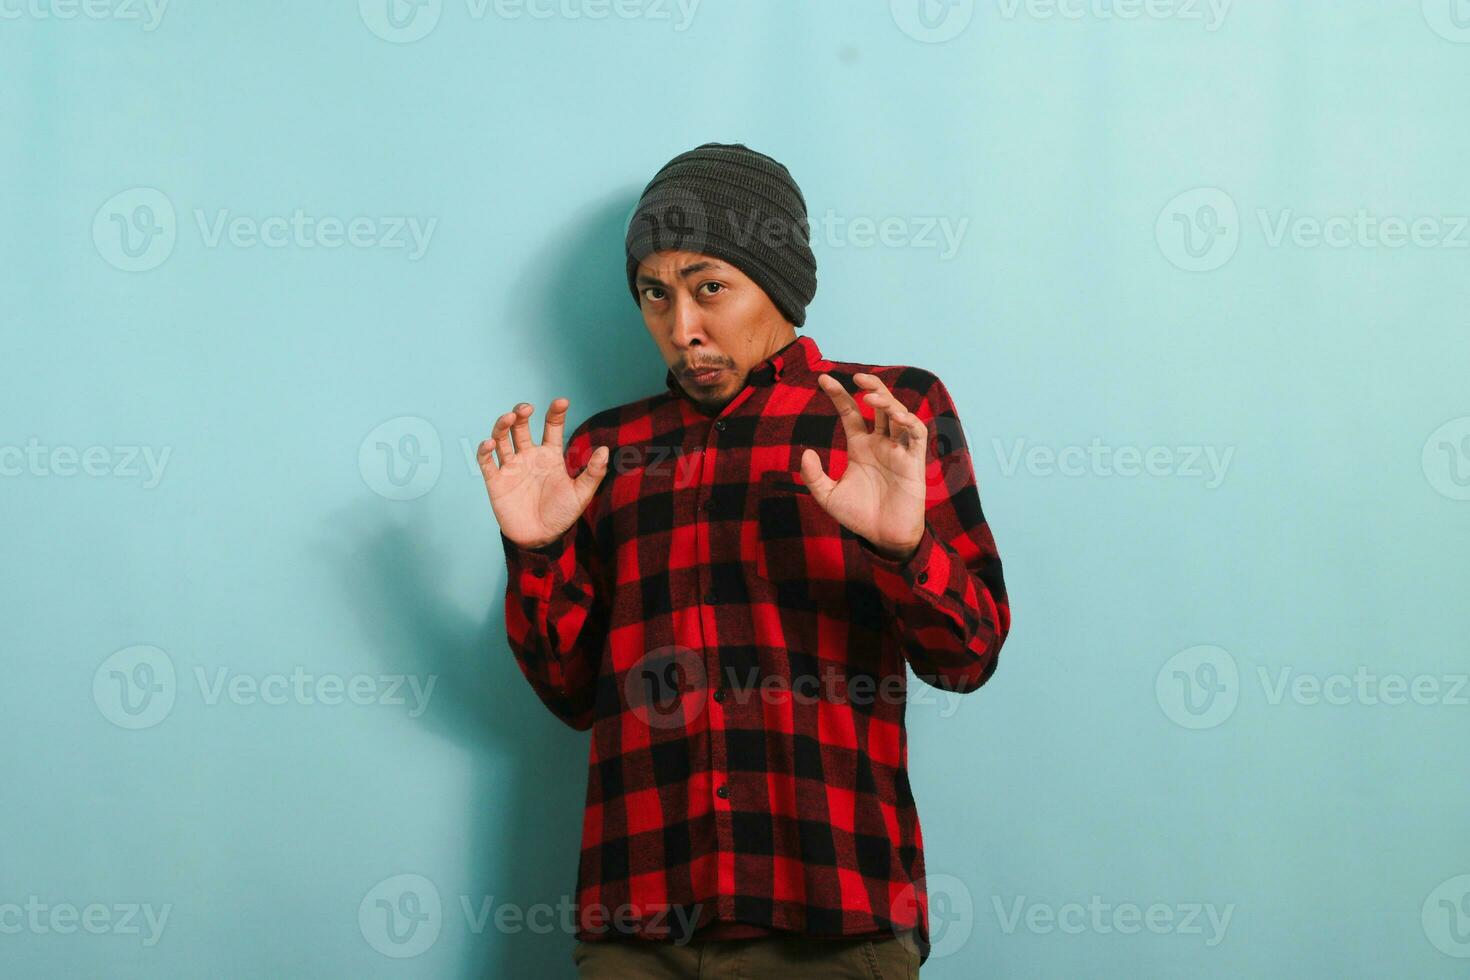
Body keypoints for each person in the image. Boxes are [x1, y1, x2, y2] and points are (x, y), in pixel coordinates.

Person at [478, 142, 1011, 979]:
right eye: (655, 295)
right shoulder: (600, 454)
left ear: (781, 281)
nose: (681, 329)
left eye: (709, 288)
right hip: (637, 924)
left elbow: (969, 657)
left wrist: (902, 545)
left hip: (834, 917)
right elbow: (573, 696)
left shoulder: (886, 416)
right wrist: (536, 553)